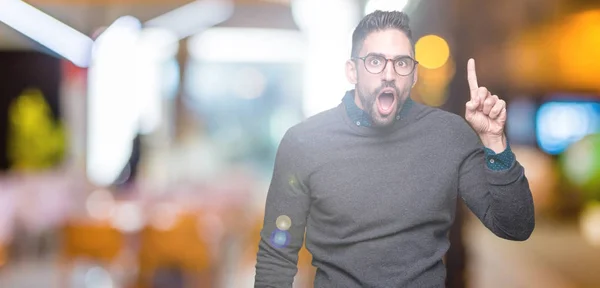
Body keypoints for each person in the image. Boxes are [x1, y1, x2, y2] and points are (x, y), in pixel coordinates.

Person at [254, 10, 535, 287]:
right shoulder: (304, 143)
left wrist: (495, 142)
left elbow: (515, 226)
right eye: (375, 61)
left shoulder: (449, 136)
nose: (389, 74)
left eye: (401, 63)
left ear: (413, 75)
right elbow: (277, 255)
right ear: (352, 71)